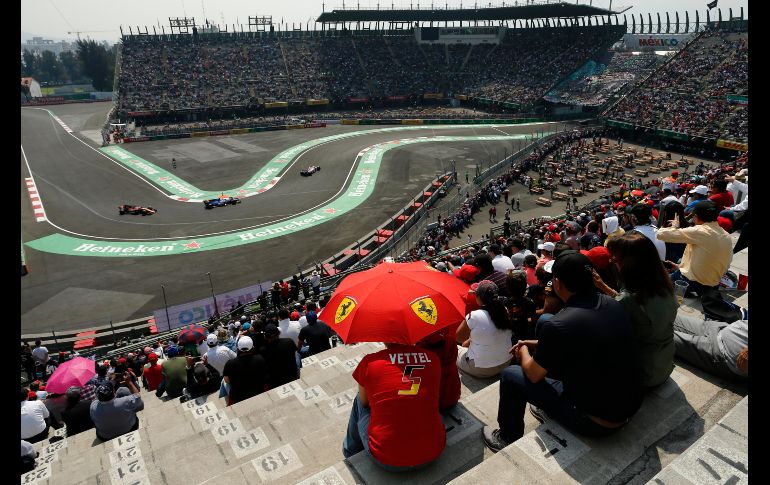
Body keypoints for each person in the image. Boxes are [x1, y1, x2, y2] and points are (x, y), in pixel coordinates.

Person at [482, 252, 644, 451]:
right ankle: (548, 405)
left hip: (596, 420)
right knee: (544, 321)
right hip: (628, 405)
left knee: (510, 375)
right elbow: (577, 336)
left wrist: (523, 349)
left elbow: (533, 374)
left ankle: (507, 437)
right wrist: (533, 343)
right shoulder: (613, 302)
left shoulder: (561, 324)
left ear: (557, 283)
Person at [342, 342, 445, 470]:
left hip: (386, 459)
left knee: (359, 399)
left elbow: (364, 403)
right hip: (433, 451)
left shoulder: (370, 362)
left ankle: (350, 451)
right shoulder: (433, 358)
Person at [595, 232, 678, 389]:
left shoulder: (628, 300)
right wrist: (603, 286)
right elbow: (631, 303)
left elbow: (625, 304)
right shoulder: (663, 284)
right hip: (664, 364)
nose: (613, 263)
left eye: (615, 260)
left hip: (645, 376)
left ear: (630, 264)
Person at [657, 200, 733, 297]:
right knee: (680, 261)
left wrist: (674, 226)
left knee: (659, 282)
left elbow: (660, 234)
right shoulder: (726, 235)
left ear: (696, 217)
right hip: (714, 284)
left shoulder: (700, 231)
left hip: (693, 284)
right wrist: (679, 266)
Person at [455, 280, 515, 378]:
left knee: (453, 349)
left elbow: (459, 338)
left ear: (479, 298)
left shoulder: (474, 315)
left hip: (481, 370)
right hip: (506, 362)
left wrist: (467, 318)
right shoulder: (505, 310)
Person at [672, 314, 747, 381]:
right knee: (668, 316)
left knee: (664, 335)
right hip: (721, 328)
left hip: (720, 352)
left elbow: (743, 364)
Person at [90, 376, 144, 442]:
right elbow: (138, 396)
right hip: (130, 429)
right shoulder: (125, 402)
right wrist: (129, 382)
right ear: (113, 392)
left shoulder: (93, 406)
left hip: (104, 437)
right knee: (123, 390)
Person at [222, 336, 269, 405]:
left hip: (238, 397)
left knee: (223, 382)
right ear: (252, 348)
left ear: (238, 348)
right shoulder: (260, 359)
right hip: (258, 392)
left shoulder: (230, 363)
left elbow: (227, 380)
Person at [260, 323, 300, 389]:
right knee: (297, 354)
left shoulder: (262, 350)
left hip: (275, 380)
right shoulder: (289, 341)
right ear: (279, 333)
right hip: (292, 375)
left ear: (265, 337)